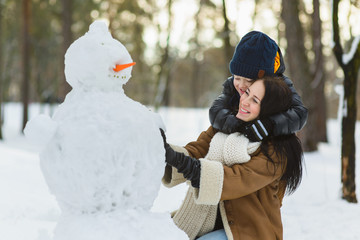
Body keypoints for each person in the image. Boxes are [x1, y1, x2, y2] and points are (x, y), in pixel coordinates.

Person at [161, 76, 304, 240]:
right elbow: (197, 150)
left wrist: (191, 168)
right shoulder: (228, 125)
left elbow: (239, 178)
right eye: (247, 93)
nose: (244, 101)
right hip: (210, 222)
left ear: (269, 110)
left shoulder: (278, 151)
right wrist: (163, 152)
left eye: (255, 100)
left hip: (251, 231)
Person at [209, 31, 307, 141]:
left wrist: (269, 124)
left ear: (267, 79)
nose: (241, 85)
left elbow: (299, 114)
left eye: (249, 80)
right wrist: (237, 125)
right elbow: (216, 110)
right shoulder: (231, 86)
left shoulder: (280, 87)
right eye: (236, 78)